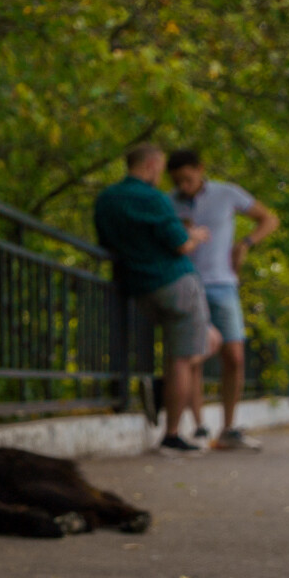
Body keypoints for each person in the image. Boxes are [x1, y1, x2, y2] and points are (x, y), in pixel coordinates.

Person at [93, 142, 216, 454]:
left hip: (138, 287)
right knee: (182, 359)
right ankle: (171, 434)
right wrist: (196, 237)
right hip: (176, 283)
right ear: (150, 165)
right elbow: (179, 245)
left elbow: (107, 242)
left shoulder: (106, 200)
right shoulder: (153, 198)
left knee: (206, 342)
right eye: (160, 170)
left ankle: (164, 388)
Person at [167, 148, 279, 450]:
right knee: (193, 355)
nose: (184, 186)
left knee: (234, 355)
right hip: (188, 284)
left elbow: (269, 219)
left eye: (188, 179)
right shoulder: (169, 203)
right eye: (178, 182)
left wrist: (246, 243)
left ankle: (229, 428)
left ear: (200, 169)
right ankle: (199, 426)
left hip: (223, 284)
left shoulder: (227, 193)